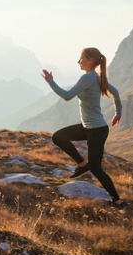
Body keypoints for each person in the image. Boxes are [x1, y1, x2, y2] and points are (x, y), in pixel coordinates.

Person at [42, 47, 126, 209]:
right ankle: (82, 164)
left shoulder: (87, 78)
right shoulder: (98, 77)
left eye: (81, 58)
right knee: (58, 137)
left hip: (96, 130)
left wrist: (50, 81)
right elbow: (116, 93)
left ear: (90, 60)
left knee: (96, 168)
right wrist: (118, 113)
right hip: (90, 127)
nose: (78, 61)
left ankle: (117, 200)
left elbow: (67, 96)